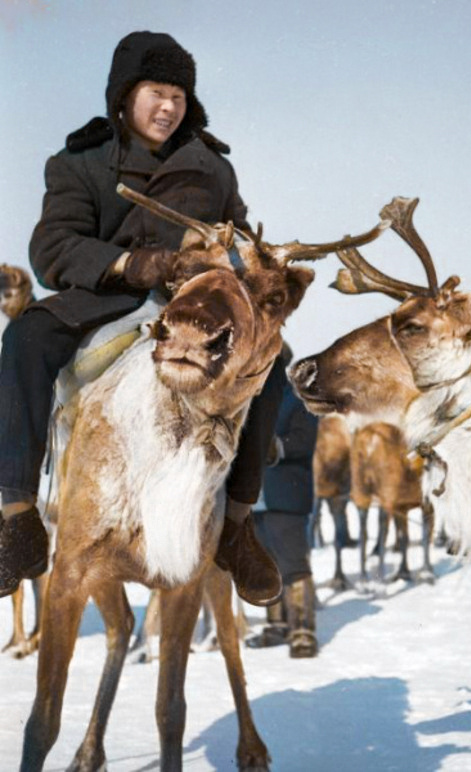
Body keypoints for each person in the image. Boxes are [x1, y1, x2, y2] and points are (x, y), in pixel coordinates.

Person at [0, 31, 283, 606]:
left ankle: (236, 524)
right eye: (156, 92)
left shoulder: (213, 168)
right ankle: (18, 518)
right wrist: (134, 262)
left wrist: (251, 261)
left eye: (178, 95)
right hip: (102, 300)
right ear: (125, 95)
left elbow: (242, 240)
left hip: (195, 308)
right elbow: (53, 249)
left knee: (274, 362)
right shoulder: (78, 162)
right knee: (24, 336)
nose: (168, 107)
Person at [247, 347, 320, 658]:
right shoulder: (247, 401)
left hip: (285, 496)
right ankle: (277, 625)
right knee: (267, 567)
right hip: (254, 498)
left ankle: (303, 629)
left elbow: (304, 440)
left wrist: (275, 447)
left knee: (293, 565)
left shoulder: (298, 399)